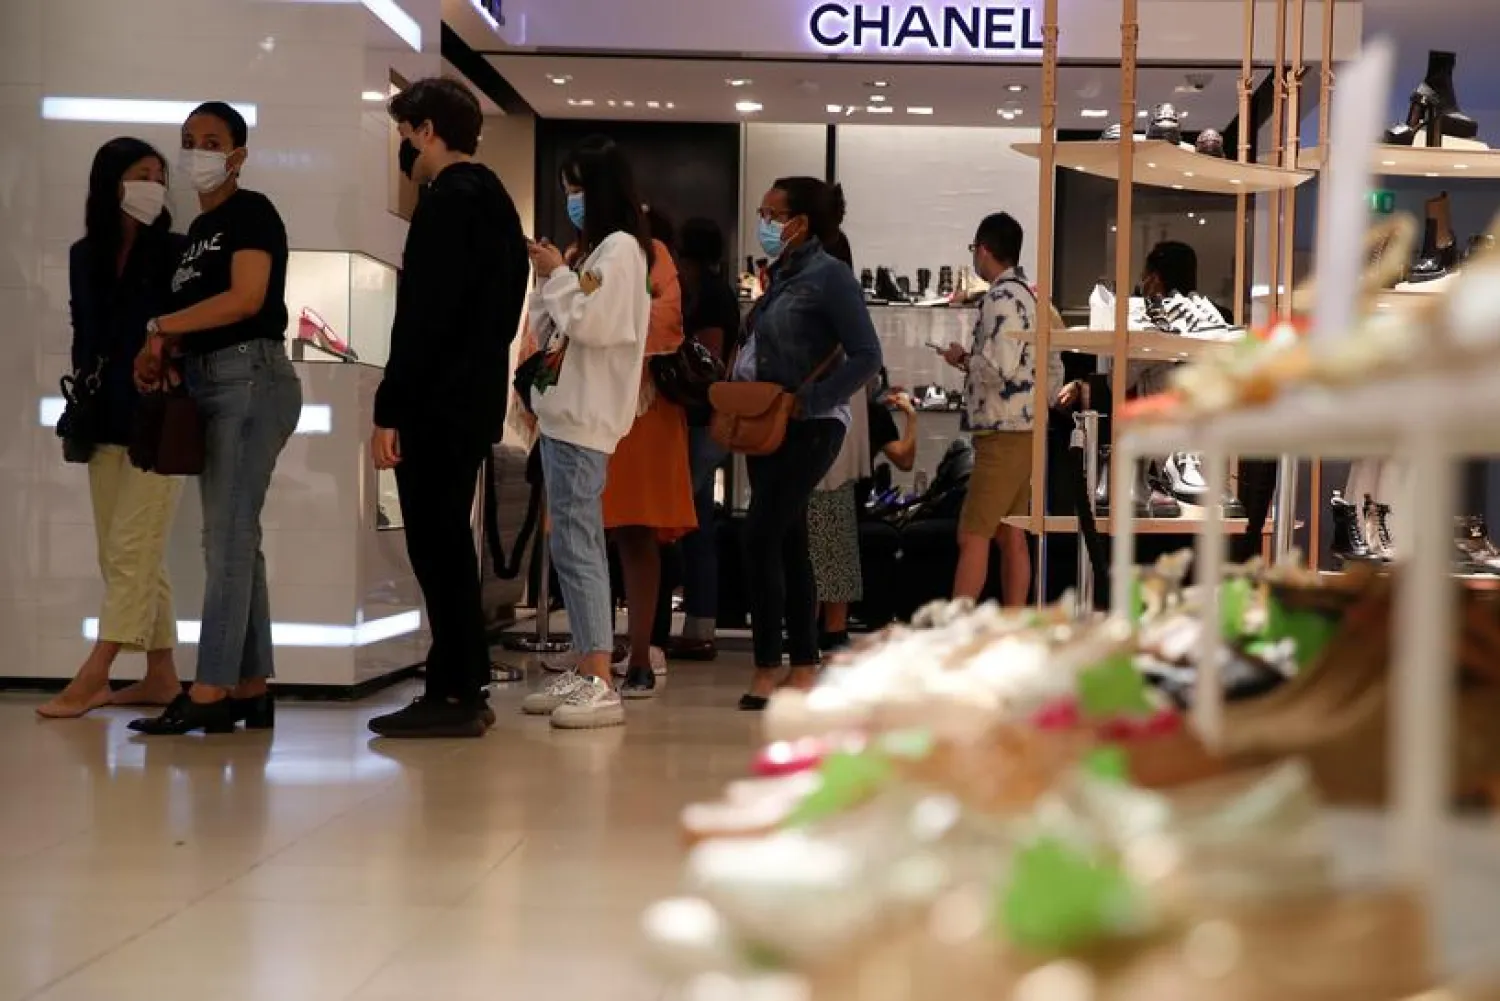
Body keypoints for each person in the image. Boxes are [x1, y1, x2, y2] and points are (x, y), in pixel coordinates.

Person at [130, 102, 303, 735]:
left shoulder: (250, 213)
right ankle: (251, 687)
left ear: (238, 154)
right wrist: (163, 349)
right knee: (238, 540)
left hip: (250, 379)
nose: (196, 152)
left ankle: (209, 692)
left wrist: (161, 326)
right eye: (187, 141)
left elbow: (247, 298)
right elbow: (193, 317)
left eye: (210, 141)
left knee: (224, 541)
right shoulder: (191, 237)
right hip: (213, 381)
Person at [367, 78, 530, 739]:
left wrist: (390, 406)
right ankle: (463, 679)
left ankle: (455, 688)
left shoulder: (445, 205)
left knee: (435, 545)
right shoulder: (497, 203)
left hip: (434, 401)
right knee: (449, 543)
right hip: (474, 397)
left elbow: (423, 319)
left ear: (427, 130)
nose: (404, 148)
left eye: (406, 134)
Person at [39, 139, 187, 719]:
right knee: (125, 552)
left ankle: (96, 673)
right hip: (104, 414)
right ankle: (161, 675)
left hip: (160, 417)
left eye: (158, 175)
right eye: (140, 174)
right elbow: (85, 332)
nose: (152, 184)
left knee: (131, 549)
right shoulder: (85, 254)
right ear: (111, 184)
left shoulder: (176, 251)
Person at [520, 136, 653, 730]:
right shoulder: (604, 252)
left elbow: (596, 324)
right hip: (567, 412)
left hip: (584, 417)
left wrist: (557, 275)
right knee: (570, 542)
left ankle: (599, 671)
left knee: (577, 541)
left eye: (576, 190)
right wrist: (557, 276)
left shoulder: (621, 251)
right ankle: (587, 662)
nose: (571, 200)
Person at [736, 176, 882, 711]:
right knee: (790, 539)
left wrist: (814, 398)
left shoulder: (831, 277)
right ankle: (802, 664)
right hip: (768, 420)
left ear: (800, 222)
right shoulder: (779, 276)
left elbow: (868, 354)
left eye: (771, 214)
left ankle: (767, 665)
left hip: (814, 422)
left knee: (759, 534)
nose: (764, 222)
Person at [940, 212, 1063, 607]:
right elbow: (1051, 366)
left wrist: (964, 359)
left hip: (1003, 430)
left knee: (973, 533)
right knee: (1010, 532)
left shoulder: (1000, 297)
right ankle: (1012, 627)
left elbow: (998, 367)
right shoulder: (1031, 296)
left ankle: (953, 633)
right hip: (1024, 427)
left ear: (985, 249)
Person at [599, 206, 696, 697]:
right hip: (587, 408)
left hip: (643, 409)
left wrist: (600, 314)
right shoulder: (577, 254)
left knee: (637, 531)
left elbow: (664, 323)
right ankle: (593, 658)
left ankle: (639, 654)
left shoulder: (651, 254)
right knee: (587, 537)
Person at [657, 218, 738, 662]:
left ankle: (684, 626)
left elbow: (708, 361)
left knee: (679, 524)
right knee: (697, 523)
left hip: (699, 421)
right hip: (707, 422)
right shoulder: (716, 292)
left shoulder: (708, 297)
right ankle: (697, 624)